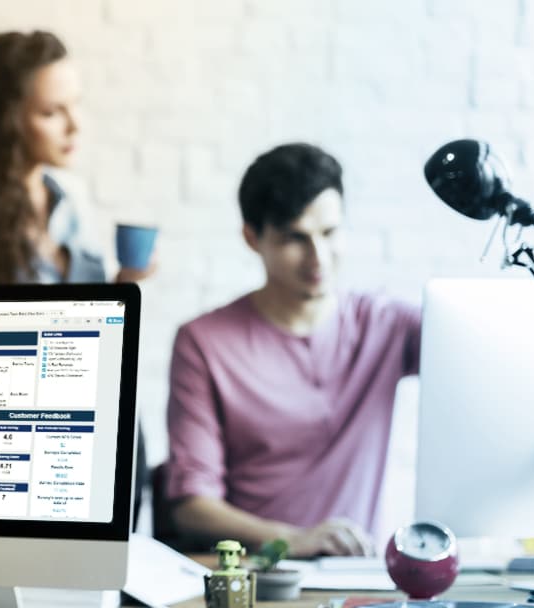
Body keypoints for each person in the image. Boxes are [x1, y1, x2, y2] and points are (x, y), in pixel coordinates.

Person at [0, 30, 154, 525]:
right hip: (18, 445)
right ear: (4, 122)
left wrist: (122, 288)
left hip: (102, 419)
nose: (74, 126)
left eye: (75, 106)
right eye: (51, 112)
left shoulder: (71, 199)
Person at [163, 143, 421, 557]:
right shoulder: (204, 342)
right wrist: (291, 539)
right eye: (294, 238)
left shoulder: (386, 325)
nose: (318, 257)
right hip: (260, 576)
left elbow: (488, 354)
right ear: (253, 238)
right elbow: (192, 506)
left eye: (329, 233)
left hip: (359, 579)